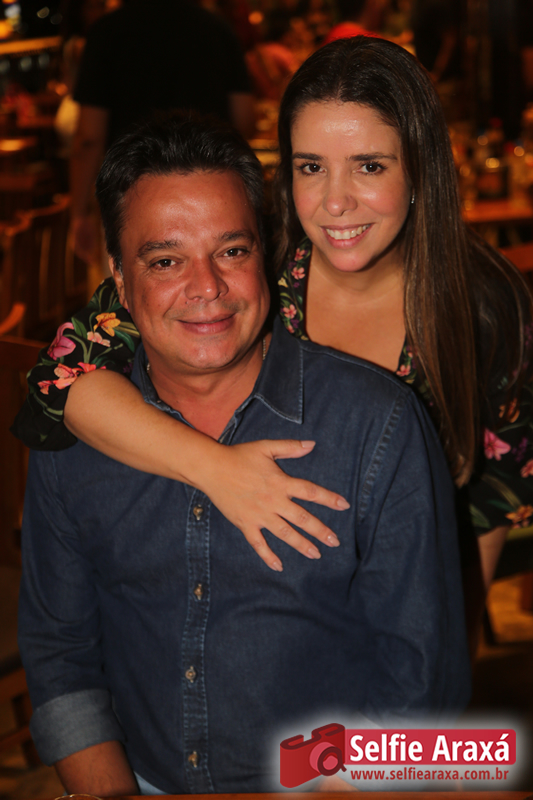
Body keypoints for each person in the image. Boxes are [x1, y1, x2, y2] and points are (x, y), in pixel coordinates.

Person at [18, 115, 469, 796]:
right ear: (117, 276)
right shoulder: (76, 435)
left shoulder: (375, 425)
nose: (206, 286)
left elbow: (420, 683)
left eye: (231, 250)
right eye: (165, 261)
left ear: (265, 254)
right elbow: (61, 657)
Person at [13, 37, 533, 589]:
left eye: (369, 166)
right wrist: (214, 468)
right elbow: (59, 380)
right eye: (312, 166)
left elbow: (490, 501)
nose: (336, 201)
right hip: (266, 597)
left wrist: (449, 633)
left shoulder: (485, 304)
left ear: (420, 170)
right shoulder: (251, 268)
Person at [69, 0, 254, 263]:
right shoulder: (217, 29)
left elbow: (89, 137)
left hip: (131, 196)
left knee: (138, 281)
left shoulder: (107, 32)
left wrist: (78, 213)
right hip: (210, 194)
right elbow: (243, 120)